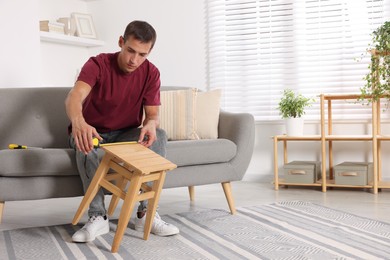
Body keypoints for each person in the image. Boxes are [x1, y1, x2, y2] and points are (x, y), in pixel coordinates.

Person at [65, 20, 179, 243]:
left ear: (149, 52)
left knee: (160, 136)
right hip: (92, 131)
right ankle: (98, 217)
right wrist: (79, 121)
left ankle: (144, 214)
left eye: (142, 55)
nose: (134, 60)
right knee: (87, 143)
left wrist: (150, 123)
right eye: (130, 51)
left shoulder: (151, 73)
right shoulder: (97, 64)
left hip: (125, 134)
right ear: (121, 42)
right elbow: (74, 96)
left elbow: (153, 116)